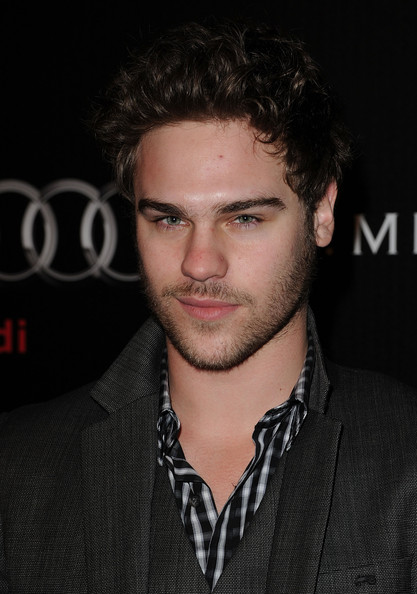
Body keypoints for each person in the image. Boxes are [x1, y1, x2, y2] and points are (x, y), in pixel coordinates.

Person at [0, 18, 416, 594]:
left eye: (243, 218)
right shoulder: (17, 466)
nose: (199, 263)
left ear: (321, 213)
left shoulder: (406, 455)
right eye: (170, 219)